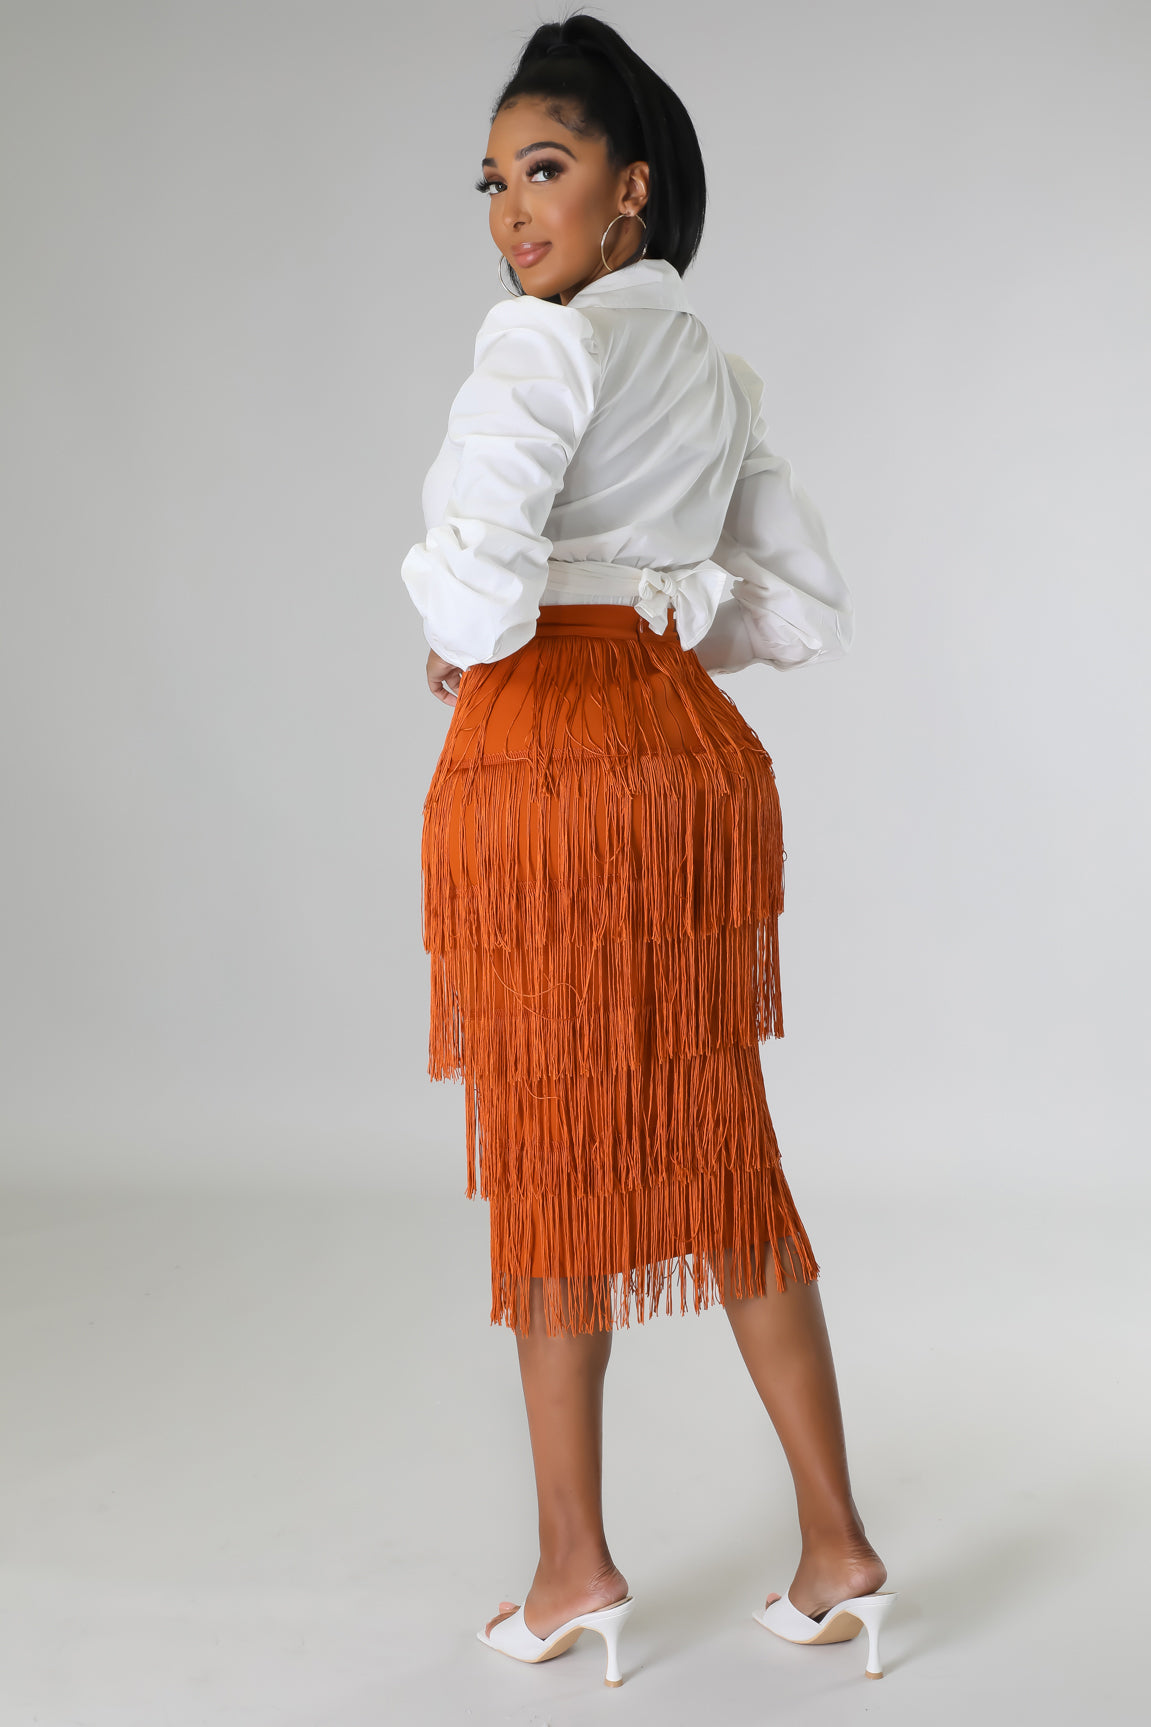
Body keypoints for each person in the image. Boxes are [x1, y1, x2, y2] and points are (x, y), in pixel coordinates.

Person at [400, 13, 896, 1690]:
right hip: (685, 756)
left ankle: (573, 1567)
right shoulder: (714, 372)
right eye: (490, 181)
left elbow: (477, 594)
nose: (509, 212)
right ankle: (837, 1546)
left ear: (632, 190)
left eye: (542, 170)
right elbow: (799, 612)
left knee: (559, 1153)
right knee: (715, 1141)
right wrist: (652, 608)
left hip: (548, 764)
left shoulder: (535, 348)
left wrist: (473, 626)